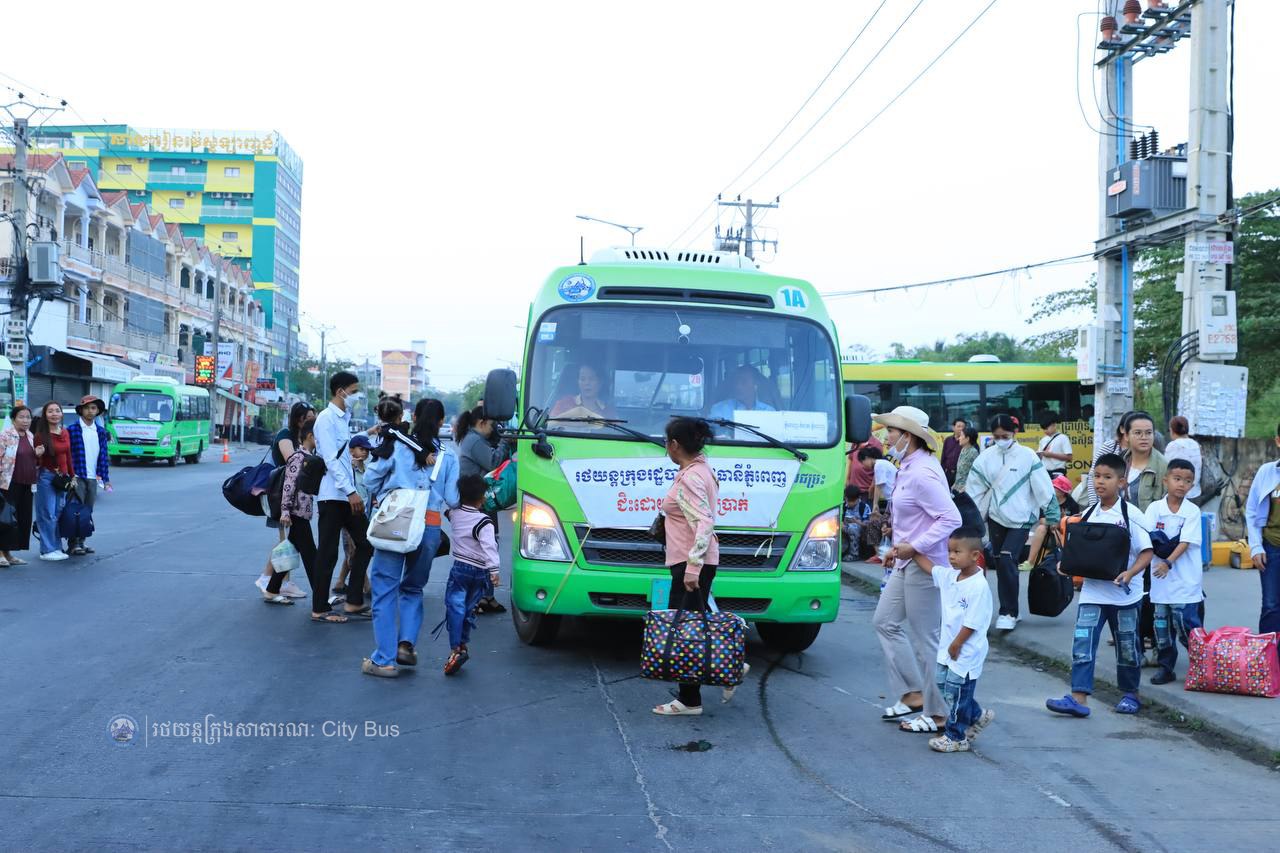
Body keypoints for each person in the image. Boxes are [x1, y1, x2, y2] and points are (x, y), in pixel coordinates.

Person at [871, 405, 961, 735]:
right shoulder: (907, 467)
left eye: (892, 431)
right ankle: (913, 694)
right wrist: (898, 546)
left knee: (927, 641)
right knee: (884, 621)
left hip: (925, 565)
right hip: (907, 560)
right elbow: (915, 517)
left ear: (908, 436)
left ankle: (939, 713)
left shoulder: (922, 472)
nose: (886, 436)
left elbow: (951, 518)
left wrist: (914, 545)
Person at [1046, 453, 1153, 718]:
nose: (1100, 482)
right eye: (1097, 476)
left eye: (1107, 477)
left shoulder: (1132, 515)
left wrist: (1129, 573)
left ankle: (1130, 695)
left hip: (1125, 597)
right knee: (1082, 644)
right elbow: (1080, 551)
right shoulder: (1088, 514)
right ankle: (1078, 698)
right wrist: (1067, 566)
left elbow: (1147, 552)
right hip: (1092, 593)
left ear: (1121, 482)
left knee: (1127, 647)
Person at [361, 400, 459, 678]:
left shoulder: (396, 445)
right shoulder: (448, 456)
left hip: (396, 522)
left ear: (413, 417)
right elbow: (452, 499)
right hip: (429, 526)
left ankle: (384, 660)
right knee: (413, 588)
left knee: (384, 589)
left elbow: (370, 480)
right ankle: (406, 645)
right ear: (441, 422)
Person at [652, 417, 725, 716]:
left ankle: (690, 700)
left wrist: (693, 568)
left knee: (685, 632)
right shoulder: (698, 470)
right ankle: (692, 695)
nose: (666, 448)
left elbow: (704, 522)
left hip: (690, 563)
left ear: (675, 445)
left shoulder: (692, 477)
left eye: (666, 443)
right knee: (693, 627)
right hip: (692, 561)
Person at [965, 414, 1058, 631]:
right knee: (1001, 562)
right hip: (996, 517)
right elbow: (974, 488)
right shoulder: (985, 458)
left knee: (1007, 559)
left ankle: (1008, 612)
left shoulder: (1028, 457)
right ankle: (1011, 610)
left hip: (1023, 519)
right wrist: (969, 517)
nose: (1001, 440)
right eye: (996, 436)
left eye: (1004, 436)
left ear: (1014, 432)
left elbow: (1043, 486)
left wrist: (1052, 514)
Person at [909, 528, 995, 753]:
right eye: (949, 551)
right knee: (943, 686)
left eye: (957, 552)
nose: (951, 556)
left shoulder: (978, 586)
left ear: (975, 555)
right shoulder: (950, 576)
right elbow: (931, 569)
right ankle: (976, 715)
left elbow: (973, 622)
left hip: (965, 650)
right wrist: (912, 552)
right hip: (948, 648)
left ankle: (956, 736)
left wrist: (957, 644)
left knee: (957, 692)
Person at [312, 371, 373, 619]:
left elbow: (343, 459)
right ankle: (320, 608)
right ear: (341, 392)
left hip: (347, 496)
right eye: (354, 390)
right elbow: (330, 460)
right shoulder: (325, 419)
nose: (356, 395)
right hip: (333, 496)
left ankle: (354, 601)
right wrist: (351, 491)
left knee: (366, 544)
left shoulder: (343, 418)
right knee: (327, 552)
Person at [1145, 459, 1203, 685]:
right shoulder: (1154, 509)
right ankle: (1166, 667)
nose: (1181, 484)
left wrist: (1167, 562)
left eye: (1187, 481)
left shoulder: (1192, 511)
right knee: (1161, 625)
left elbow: (1185, 542)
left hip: (1185, 580)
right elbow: (1147, 536)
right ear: (1165, 480)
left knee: (1186, 625)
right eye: (1177, 479)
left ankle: (1200, 665)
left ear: (1192, 485)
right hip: (1161, 582)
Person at [455, 404, 511, 615]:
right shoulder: (474, 440)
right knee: (483, 547)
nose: (495, 429)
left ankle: (487, 597)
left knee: (489, 543)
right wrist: (505, 441)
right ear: (482, 423)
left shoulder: (476, 439)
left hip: (483, 499)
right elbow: (493, 461)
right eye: (493, 425)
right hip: (475, 503)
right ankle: (478, 597)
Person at [442, 474, 501, 676]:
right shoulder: (485, 522)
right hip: (480, 572)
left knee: (455, 606)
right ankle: (463, 643)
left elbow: (447, 512)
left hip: (460, 569)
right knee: (468, 609)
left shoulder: (455, 513)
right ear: (482, 498)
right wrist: (494, 570)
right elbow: (490, 547)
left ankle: (455, 648)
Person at [1122, 412, 1167, 665]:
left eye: (1148, 432)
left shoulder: (1163, 466)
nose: (1144, 437)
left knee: (1149, 597)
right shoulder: (1119, 463)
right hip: (1121, 541)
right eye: (1137, 432)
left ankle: (1155, 645)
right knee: (1126, 594)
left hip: (1150, 543)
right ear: (1126, 436)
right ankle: (1134, 646)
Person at [257, 402, 315, 599]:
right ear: (299, 419)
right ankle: (274, 581)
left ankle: (274, 585)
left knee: (290, 545)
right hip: (285, 497)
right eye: (309, 418)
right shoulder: (288, 437)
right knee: (300, 549)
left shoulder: (305, 442)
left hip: (298, 503)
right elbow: (293, 466)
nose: (312, 421)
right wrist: (285, 509)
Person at [278, 423, 336, 617]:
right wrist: (285, 510)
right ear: (310, 436)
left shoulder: (312, 459)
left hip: (303, 513)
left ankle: (271, 588)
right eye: (317, 436)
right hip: (296, 512)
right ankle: (321, 597)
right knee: (312, 556)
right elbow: (289, 485)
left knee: (295, 550)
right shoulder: (298, 458)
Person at [1245, 421, 1280, 635]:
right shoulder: (1267, 472)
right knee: (1271, 606)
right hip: (1272, 548)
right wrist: (1256, 546)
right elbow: (1251, 511)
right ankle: (1268, 662)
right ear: (1278, 441)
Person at [65, 396, 110, 556]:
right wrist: (70, 475)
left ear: (97, 411)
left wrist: (105, 478)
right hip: (77, 476)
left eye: (93, 408)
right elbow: (67, 454)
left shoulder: (101, 432)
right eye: (87, 408)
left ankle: (82, 542)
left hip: (93, 477)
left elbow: (104, 456)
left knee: (87, 511)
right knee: (74, 510)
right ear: (81, 410)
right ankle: (73, 543)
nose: (90, 411)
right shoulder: (72, 430)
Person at [32, 401, 72, 562]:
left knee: (57, 513)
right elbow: (35, 461)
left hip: (62, 478)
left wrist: (72, 474)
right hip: (46, 477)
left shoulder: (64, 432)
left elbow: (68, 456)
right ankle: (46, 549)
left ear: (61, 414)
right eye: (50, 411)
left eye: (57, 411)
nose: (54, 414)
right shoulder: (40, 435)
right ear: (45, 415)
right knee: (46, 513)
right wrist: (37, 454)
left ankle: (56, 547)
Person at [0, 405, 38, 567]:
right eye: (21, 417)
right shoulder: (5, 436)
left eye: (28, 417)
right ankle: (0, 553)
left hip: (27, 484)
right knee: (5, 519)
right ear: (14, 419)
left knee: (21, 520)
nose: (25, 420)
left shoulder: (30, 436)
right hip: (8, 484)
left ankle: (9, 554)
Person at [1023, 475, 1081, 570]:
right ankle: (1030, 562)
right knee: (1041, 528)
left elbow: (1074, 526)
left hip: (1063, 535)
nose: (1052, 489)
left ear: (1062, 492)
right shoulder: (1046, 501)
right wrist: (1056, 522)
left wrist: (1058, 524)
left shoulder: (1072, 504)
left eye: (1055, 488)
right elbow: (1042, 520)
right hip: (1047, 531)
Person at [548, 364, 618, 420]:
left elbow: (616, 432)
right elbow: (549, 425)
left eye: (591, 379)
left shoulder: (608, 411)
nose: (586, 383)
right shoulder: (564, 403)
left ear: (600, 383)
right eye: (582, 379)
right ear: (578, 382)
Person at [709, 365, 775, 422]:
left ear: (755, 384)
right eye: (736, 381)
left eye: (744, 381)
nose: (738, 386)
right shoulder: (720, 409)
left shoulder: (769, 412)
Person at [1164, 416, 1203, 503]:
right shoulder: (1195, 444)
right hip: (1194, 492)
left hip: (1178, 494)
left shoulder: (1173, 445)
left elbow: (1166, 468)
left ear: (1172, 430)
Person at [1036, 412, 1073, 480]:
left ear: (1054, 425)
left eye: (1047, 428)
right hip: (1045, 472)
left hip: (1058, 472)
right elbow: (1040, 458)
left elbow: (1069, 457)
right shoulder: (1043, 440)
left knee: (1057, 490)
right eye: (1043, 429)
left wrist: (1051, 455)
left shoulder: (1063, 438)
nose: (1045, 431)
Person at [842, 484, 872, 562]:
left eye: (853, 501)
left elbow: (867, 525)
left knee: (853, 528)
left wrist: (856, 522)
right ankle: (841, 552)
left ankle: (854, 554)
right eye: (848, 501)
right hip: (845, 527)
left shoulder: (864, 507)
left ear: (858, 498)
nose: (850, 503)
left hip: (859, 530)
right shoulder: (843, 506)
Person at [951, 426, 980, 496]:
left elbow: (976, 475)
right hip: (957, 489)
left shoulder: (973, 453)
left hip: (966, 491)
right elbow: (960, 472)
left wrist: (966, 488)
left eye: (961, 436)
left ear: (967, 439)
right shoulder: (963, 450)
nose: (959, 438)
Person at [941, 419, 967, 487]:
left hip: (959, 475)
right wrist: (942, 472)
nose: (961, 429)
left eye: (963, 427)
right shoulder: (948, 440)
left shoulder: (966, 442)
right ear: (953, 427)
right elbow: (943, 457)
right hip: (948, 473)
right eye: (959, 426)